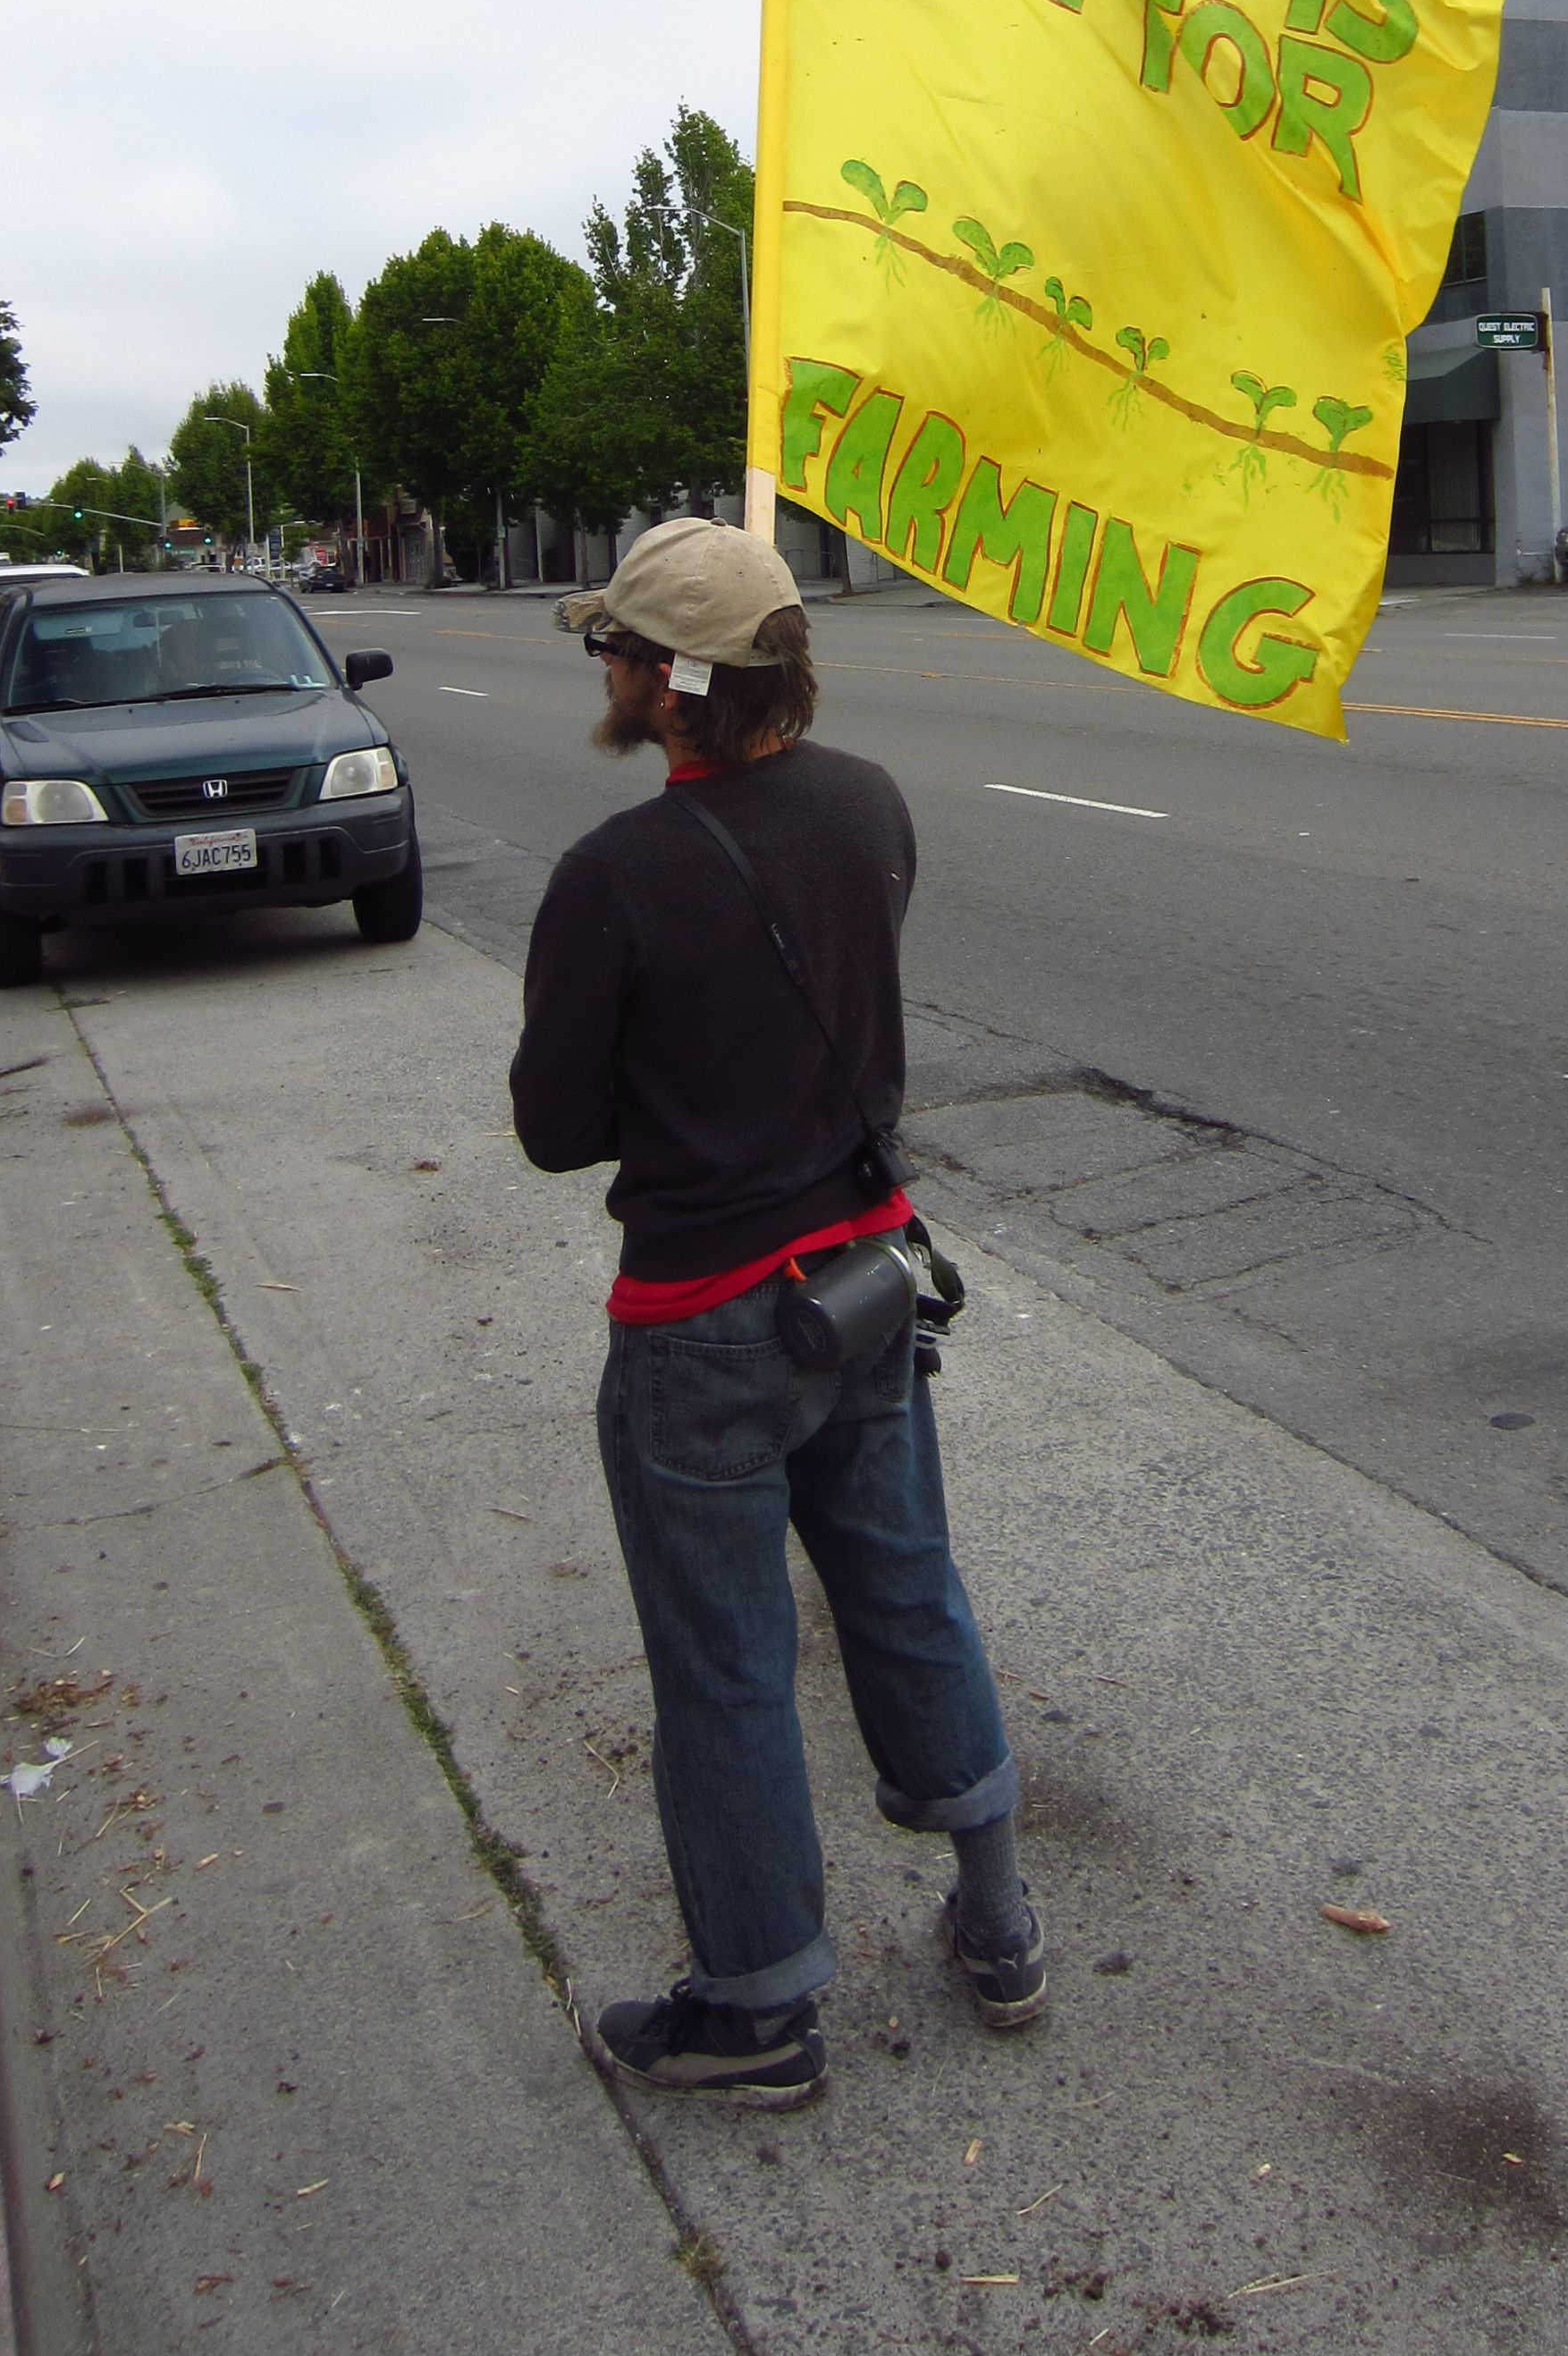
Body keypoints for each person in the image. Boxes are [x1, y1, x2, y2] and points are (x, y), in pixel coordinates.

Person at [510, 515, 1041, 2107]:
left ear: (670, 683)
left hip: (704, 1321)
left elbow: (554, 1126)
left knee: (726, 1661)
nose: (602, 668)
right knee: (905, 1584)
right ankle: (999, 1917)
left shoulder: (614, 875)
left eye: (615, 648)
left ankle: (756, 2011)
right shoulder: (867, 802)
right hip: (860, 1283)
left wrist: (670, 1081)